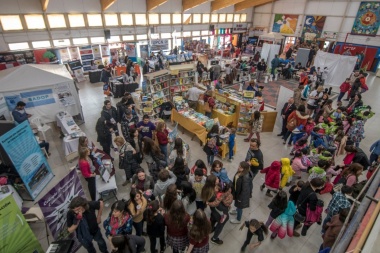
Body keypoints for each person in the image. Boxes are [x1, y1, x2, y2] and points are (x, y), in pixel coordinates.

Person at [201, 175, 228, 245]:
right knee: (222, 222)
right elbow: (218, 206)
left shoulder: (207, 188)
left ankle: (211, 229)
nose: (218, 179)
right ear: (213, 183)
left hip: (213, 210)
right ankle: (214, 238)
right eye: (216, 179)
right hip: (218, 211)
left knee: (213, 218)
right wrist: (225, 207)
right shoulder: (212, 194)